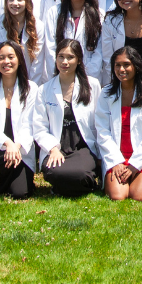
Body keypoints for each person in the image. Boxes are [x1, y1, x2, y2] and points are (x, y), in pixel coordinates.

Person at [32, 39, 103, 197]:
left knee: (80, 173)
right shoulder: (44, 90)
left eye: (70, 57)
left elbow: (100, 122)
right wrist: (53, 149)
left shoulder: (92, 85)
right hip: (57, 148)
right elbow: (39, 127)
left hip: (82, 147)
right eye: (61, 57)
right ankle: (80, 184)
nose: (65, 62)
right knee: (54, 172)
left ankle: (66, 186)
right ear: (56, 58)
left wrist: (100, 154)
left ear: (79, 60)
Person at [97, 46, 142, 201]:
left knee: (139, 195)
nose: (122, 69)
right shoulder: (106, 93)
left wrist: (135, 164)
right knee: (118, 196)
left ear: (136, 66)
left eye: (126, 65)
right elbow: (102, 131)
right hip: (117, 156)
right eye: (117, 65)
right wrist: (116, 161)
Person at [0, 41, 39, 198]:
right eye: (1, 58)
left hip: (20, 148)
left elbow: (30, 125)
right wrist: (8, 144)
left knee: (20, 192)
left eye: (11, 57)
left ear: (19, 60)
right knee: (3, 160)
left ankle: (3, 183)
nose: (6, 62)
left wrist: (16, 146)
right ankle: (5, 178)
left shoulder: (31, 89)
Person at [50, 0, 104, 83]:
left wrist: (87, 74)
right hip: (61, 73)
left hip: (89, 76)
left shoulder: (99, 15)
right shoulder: (54, 12)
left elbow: (99, 49)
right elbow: (50, 46)